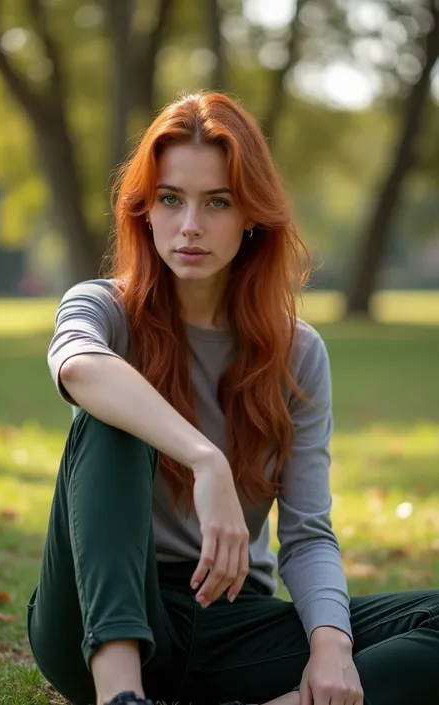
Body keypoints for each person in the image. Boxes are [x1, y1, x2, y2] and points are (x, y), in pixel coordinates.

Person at [27, 91, 439, 705]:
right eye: (171, 199)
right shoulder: (103, 307)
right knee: (113, 408)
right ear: (145, 210)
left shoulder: (296, 351)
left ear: (250, 214)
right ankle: (123, 696)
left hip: (230, 621)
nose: (190, 225)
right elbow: (78, 367)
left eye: (216, 202)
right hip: (95, 616)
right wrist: (204, 458)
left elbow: (307, 534)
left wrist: (332, 649)